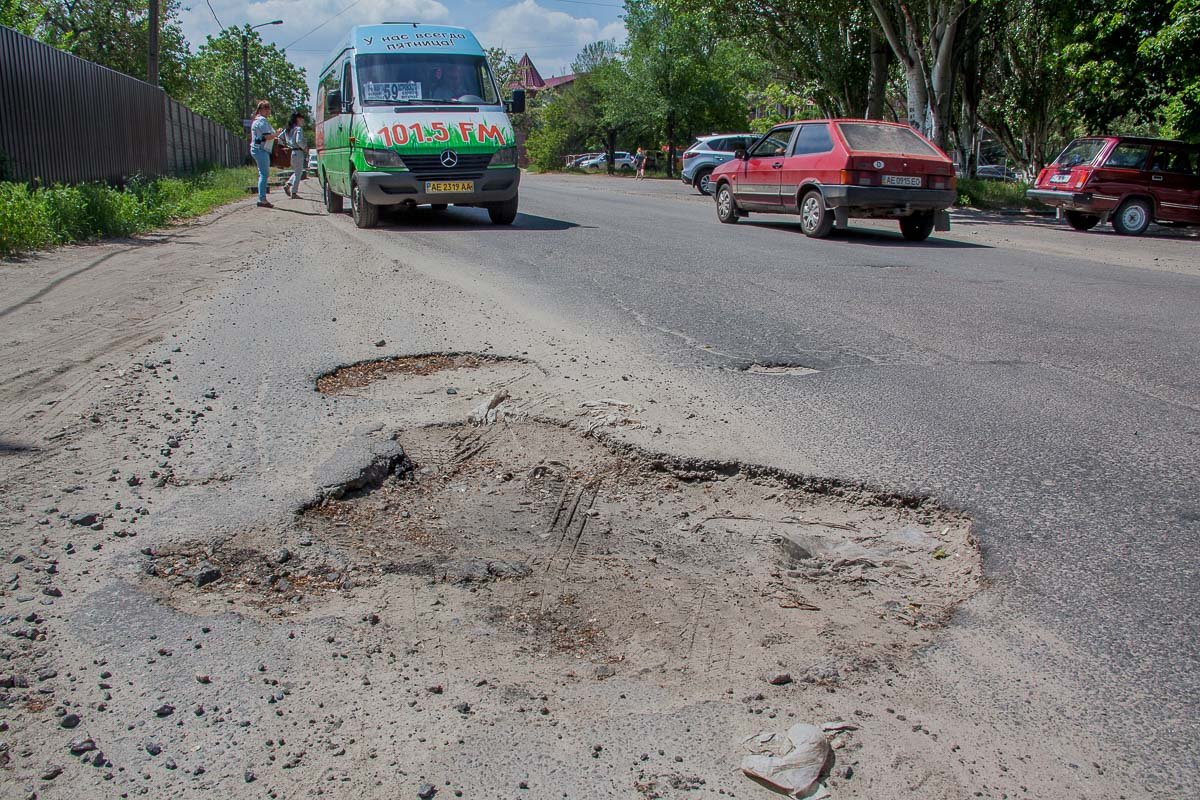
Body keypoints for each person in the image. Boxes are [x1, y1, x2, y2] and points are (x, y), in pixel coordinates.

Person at [249, 100, 277, 208]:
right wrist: (277, 134)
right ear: (260, 110)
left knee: (263, 174)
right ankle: (262, 199)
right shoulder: (261, 121)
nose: (268, 110)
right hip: (260, 149)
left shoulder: (258, 121)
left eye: (268, 108)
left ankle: (262, 198)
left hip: (258, 149)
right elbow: (267, 136)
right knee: (264, 174)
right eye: (265, 108)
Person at [282, 112, 307, 199]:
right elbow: (299, 141)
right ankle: (294, 192)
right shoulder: (298, 129)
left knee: (297, 171)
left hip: (290, 152)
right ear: (298, 119)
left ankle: (288, 184)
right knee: (298, 173)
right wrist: (304, 148)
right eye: (302, 119)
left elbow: (280, 138)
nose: (303, 121)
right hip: (298, 152)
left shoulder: (287, 130)